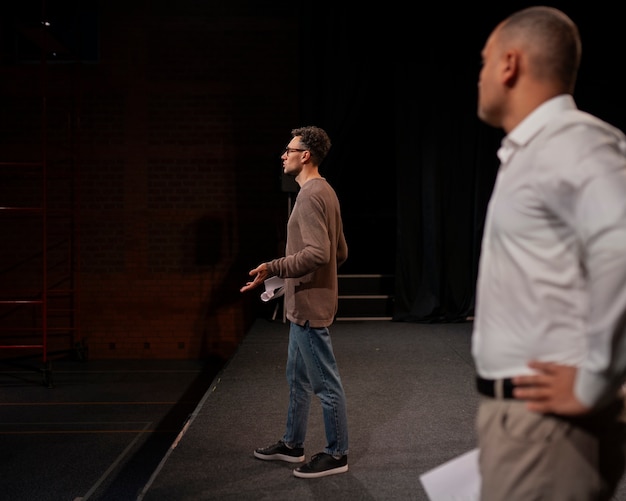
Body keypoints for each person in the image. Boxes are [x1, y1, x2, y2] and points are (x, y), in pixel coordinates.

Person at [472, 6, 626, 500]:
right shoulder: (535, 150)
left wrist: (595, 381)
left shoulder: (572, 141)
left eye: (483, 62)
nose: (478, 77)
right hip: (527, 424)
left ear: (509, 64)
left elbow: (620, 244)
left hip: (547, 428)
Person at [240, 125, 349, 479]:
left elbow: (318, 253)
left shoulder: (309, 196)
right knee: (298, 378)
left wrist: (274, 266)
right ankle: (292, 444)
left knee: (325, 384)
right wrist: (295, 279)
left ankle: (337, 453)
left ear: (306, 155)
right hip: (304, 301)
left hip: (308, 310)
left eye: (289, 149)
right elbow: (340, 252)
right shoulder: (326, 192)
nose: (283, 155)